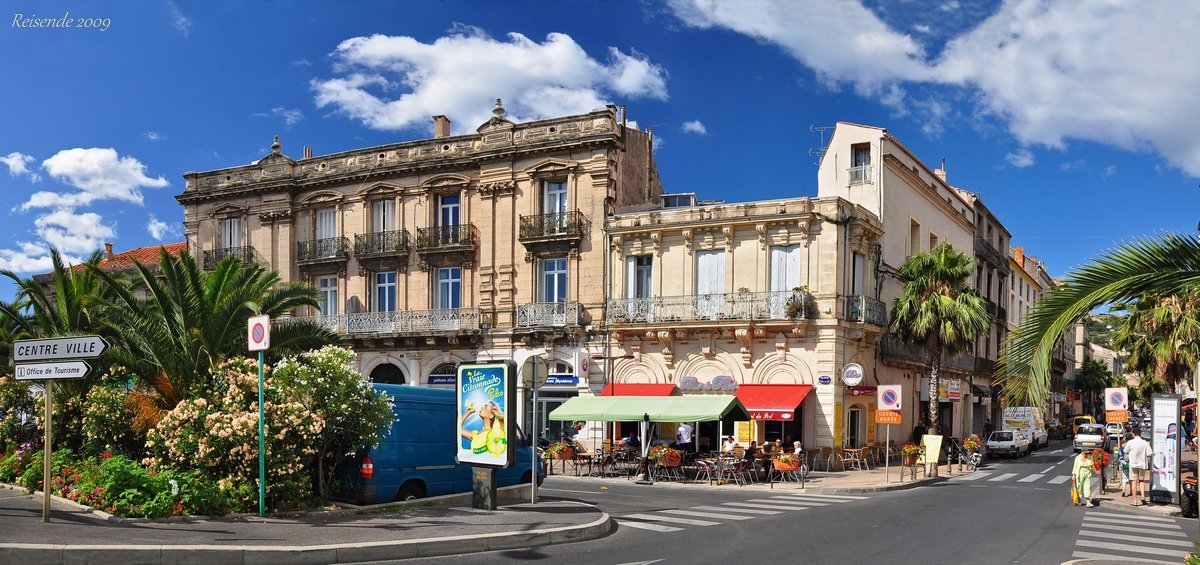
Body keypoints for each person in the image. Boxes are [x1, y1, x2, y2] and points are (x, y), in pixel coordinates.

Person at [1125, 427, 1153, 506]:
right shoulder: (1145, 443)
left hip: (1133, 464)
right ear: (1140, 434)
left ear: (1133, 434)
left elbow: (1126, 451)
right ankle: (1143, 496)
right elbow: (1149, 454)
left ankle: (1135, 501)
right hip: (1142, 464)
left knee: (1134, 482)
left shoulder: (1130, 442)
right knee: (1141, 481)